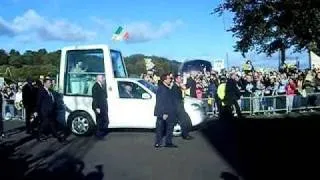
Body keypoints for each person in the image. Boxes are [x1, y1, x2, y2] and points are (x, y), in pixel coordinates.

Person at [35, 78, 65, 142]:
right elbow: (38, 102)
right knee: (44, 124)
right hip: (44, 111)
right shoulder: (41, 91)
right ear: (45, 83)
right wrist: (36, 111)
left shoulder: (50, 91)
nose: (50, 84)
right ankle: (39, 136)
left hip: (51, 111)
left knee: (52, 124)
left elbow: (52, 100)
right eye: (49, 83)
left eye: (50, 83)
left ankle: (57, 136)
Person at [154, 73, 178, 148]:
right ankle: (159, 143)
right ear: (164, 80)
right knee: (161, 128)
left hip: (168, 112)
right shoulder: (162, 89)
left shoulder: (166, 88)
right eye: (169, 78)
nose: (170, 80)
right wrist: (164, 113)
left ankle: (167, 142)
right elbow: (161, 102)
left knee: (169, 128)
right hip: (164, 112)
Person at [171, 74, 193, 140]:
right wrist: (178, 108)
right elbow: (175, 99)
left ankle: (185, 134)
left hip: (179, 106)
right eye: (180, 78)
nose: (181, 79)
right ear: (176, 79)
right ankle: (185, 135)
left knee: (185, 120)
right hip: (178, 107)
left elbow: (186, 87)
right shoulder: (174, 88)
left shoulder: (178, 87)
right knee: (184, 121)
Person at [92, 74, 109, 138]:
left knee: (102, 120)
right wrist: (97, 107)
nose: (103, 79)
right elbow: (95, 98)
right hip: (98, 107)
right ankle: (98, 134)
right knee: (99, 121)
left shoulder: (100, 86)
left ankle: (100, 133)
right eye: (102, 78)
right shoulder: (95, 86)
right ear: (98, 79)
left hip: (102, 106)